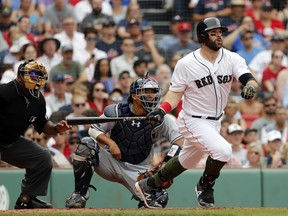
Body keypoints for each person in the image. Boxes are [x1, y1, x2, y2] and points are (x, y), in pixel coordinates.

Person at [135, 17, 259, 209]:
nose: (219, 36)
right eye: (213, 33)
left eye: (220, 32)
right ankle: (205, 186)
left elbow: (249, 78)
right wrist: (162, 109)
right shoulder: (186, 63)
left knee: (188, 160)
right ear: (202, 37)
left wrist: (251, 86)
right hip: (192, 120)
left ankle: (149, 185)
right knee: (223, 150)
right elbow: (175, 93)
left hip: (215, 121)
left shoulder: (232, 58)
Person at [65, 77, 184, 208]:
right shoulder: (118, 110)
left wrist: (166, 164)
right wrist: (110, 142)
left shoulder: (161, 118)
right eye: (146, 91)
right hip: (112, 162)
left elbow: (180, 141)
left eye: (153, 92)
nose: (151, 95)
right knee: (86, 145)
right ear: (134, 95)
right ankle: (80, 194)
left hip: (140, 170)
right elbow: (93, 130)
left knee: (159, 199)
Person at [0, 59, 72, 209]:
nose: (37, 78)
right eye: (33, 74)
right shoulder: (5, 91)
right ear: (20, 76)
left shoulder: (38, 99)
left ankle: (26, 200)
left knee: (43, 157)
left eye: (40, 75)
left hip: (10, 143)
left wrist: (56, 128)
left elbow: (42, 124)